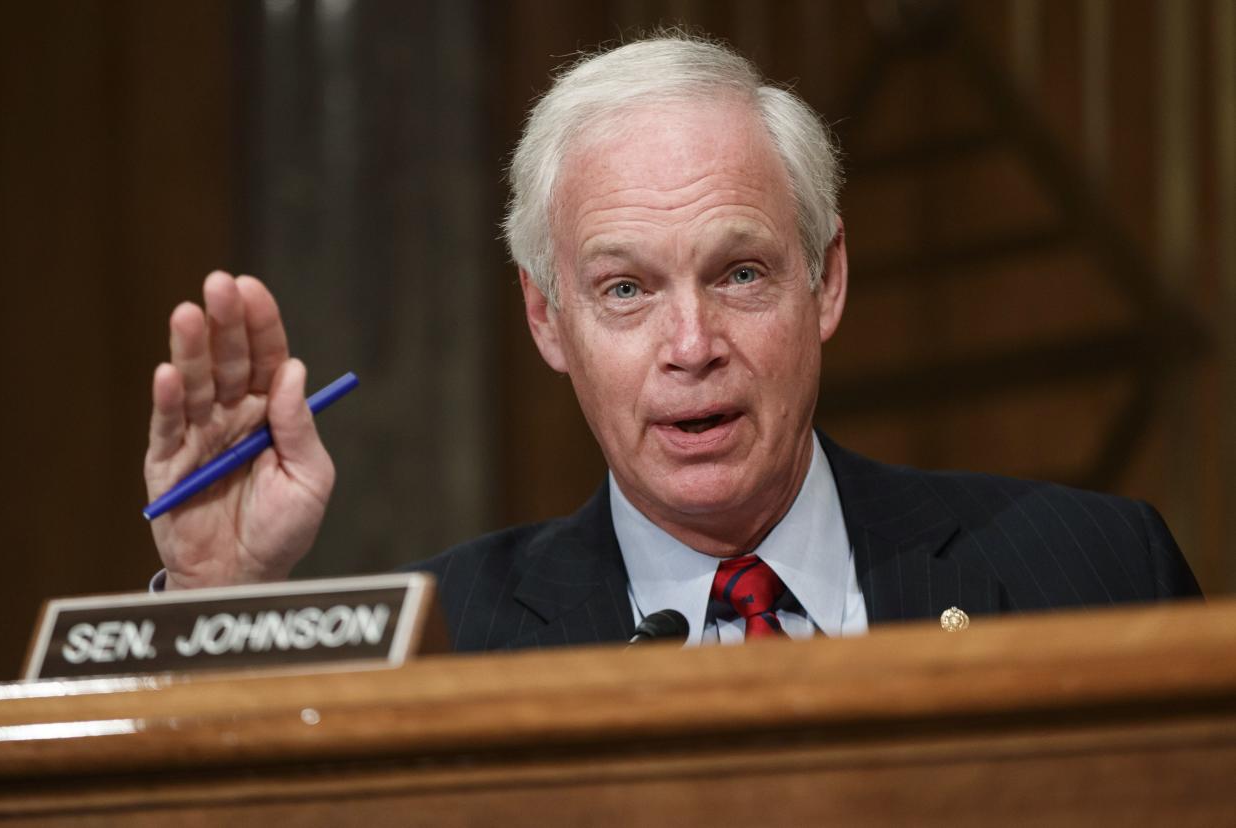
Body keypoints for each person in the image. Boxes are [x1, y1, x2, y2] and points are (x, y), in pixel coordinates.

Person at [145, 34, 1200, 649]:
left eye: (740, 274)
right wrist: (212, 611)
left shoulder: (1098, 574)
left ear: (826, 280)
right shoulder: (435, 640)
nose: (691, 343)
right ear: (546, 320)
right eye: (625, 289)